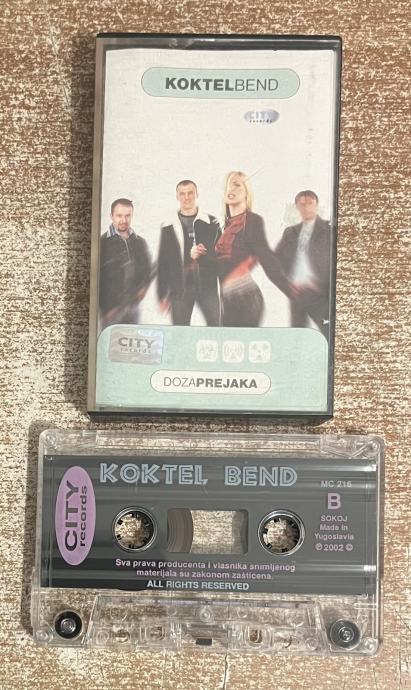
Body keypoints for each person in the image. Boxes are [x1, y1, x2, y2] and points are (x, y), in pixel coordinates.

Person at [215, 171, 292, 327]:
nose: (231, 189)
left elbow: (266, 257)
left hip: (245, 299)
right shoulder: (225, 228)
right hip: (228, 302)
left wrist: (289, 288)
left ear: (247, 194)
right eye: (228, 185)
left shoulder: (252, 221)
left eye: (237, 185)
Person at [157, 180, 221, 326]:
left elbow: (222, 255)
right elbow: (163, 261)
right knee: (180, 331)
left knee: (216, 329)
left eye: (190, 193)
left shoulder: (212, 222)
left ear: (197, 194)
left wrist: (204, 256)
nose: (187, 197)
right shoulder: (167, 225)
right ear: (177, 197)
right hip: (180, 289)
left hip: (208, 288)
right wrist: (162, 295)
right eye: (182, 194)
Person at [273, 190, 331, 335]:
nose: (306, 208)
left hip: (320, 293)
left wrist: (324, 285)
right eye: (302, 204)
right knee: (298, 335)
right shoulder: (290, 232)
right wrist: (287, 283)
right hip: (297, 293)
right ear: (297, 207)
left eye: (310, 203)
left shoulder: (329, 230)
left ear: (316, 205)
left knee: (328, 332)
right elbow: (276, 260)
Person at [99, 198, 151, 329]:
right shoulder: (101, 243)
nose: (124, 220)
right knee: (111, 341)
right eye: (119, 215)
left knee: (134, 340)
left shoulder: (140, 242)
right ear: (111, 216)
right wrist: (105, 308)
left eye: (128, 215)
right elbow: (95, 279)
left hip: (133, 308)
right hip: (111, 312)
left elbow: (147, 269)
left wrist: (143, 287)